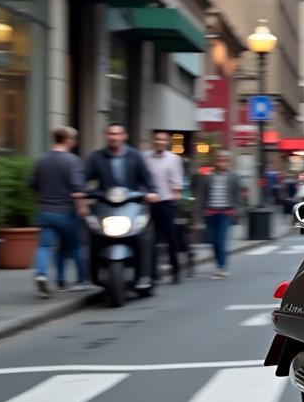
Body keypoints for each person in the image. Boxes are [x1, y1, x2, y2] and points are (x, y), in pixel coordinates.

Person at [80, 122, 159, 289]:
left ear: (124, 136)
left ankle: (145, 275)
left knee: (144, 235)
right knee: (94, 235)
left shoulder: (135, 156)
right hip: (105, 205)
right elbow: (84, 179)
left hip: (132, 205)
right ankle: (92, 275)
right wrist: (82, 190)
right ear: (106, 136)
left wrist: (152, 191)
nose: (114, 137)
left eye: (117, 134)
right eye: (111, 134)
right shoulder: (96, 157)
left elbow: (147, 178)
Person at [28, 126, 87, 298]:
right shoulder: (73, 161)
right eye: (74, 139)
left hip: (45, 211)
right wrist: (82, 207)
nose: (75, 143)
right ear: (68, 140)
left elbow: (32, 184)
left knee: (45, 246)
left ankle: (41, 274)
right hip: (66, 211)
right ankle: (81, 279)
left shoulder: (41, 160)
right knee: (74, 247)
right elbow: (77, 189)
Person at [144, 130, 186, 284]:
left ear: (167, 142)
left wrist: (175, 198)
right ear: (153, 141)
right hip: (148, 203)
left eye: (163, 140)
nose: (160, 142)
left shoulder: (173, 159)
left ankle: (176, 270)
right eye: (157, 139)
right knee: (151, 240)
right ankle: (152, 274)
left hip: (167, 203)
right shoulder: (145, 157)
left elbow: (177, 182)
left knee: (170, 238)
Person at [193, 150, 242, 278]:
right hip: (210, 213)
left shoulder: (233, 177)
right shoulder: (208, 177)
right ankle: (218, 265)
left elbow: (237, 196)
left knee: (220, 240)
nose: (222, 163)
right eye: (219, 160)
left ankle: (222, 267)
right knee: (213, 241)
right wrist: (197, 217)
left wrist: (237, 211)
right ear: (216, 162)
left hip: (225, 213)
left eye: (224, 160)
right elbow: (201, 196)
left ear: (228, 162)